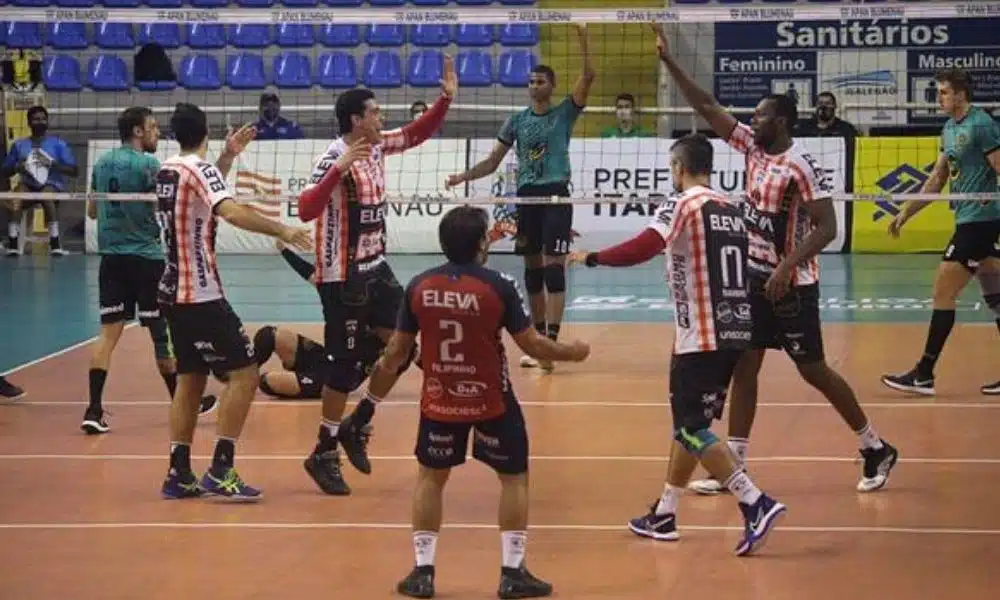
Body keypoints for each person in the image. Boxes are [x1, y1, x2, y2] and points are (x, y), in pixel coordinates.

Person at [647, 24, 899, 496]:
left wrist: (786, 267)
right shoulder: (751, 146)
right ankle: (735, 466)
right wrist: (669, 61)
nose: (752, 120)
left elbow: (828, 227)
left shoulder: (801, 166)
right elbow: (708, 107)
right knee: (745, 365)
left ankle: (875, 446)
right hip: (754, 279)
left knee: (813, 370)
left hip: (793, 285)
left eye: (760, 116)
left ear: (780, 122)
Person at [357, 205, 590, 599]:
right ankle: (512, 571)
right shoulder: (498, 285)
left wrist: (380, 371)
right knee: (513, 477)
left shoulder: (419, 286)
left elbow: (397, 351)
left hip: (440, 399)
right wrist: (573, 352)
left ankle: (422, 571)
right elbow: (533, 345)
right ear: (482, 243)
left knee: (431, 478)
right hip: (490, 399)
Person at [569, 133, 786, 554]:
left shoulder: (684, 202)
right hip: (733, 328)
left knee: (690, 429)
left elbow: (646, 246)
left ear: (679, 168)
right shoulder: (730, 207)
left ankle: (754, 501)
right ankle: (665, 512)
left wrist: (592, 257)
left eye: (672, 167)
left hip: (701, 334)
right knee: (690, 425)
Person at [294, 57, 456, 495]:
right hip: (342, 277)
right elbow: (305, 209)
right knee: (343, 367)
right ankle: (323, 451)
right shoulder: (334, 157)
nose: (382, 118)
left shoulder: (379, 145)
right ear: (356, 120)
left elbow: (416, 133)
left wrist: (445, 99)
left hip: (376, 268)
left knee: (403, 348)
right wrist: (338, 169)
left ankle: (358, 422)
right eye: (375, 112)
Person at [156, 102, 312, 502]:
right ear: (205, 131)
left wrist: (226, 157)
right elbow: (231, 212)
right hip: (201, 294)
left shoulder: (169, 169)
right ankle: (221, 469)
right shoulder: (199, 170)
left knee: (190, 379)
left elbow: (201, 199)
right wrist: (283, 230)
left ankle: (178, 473)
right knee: (244, 374)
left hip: (172, 291)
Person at [445, 23, 594, 373]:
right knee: (532, 271)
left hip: (555, 195)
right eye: (530, 82)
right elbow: (492, 162)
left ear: (552, 86)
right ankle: (539, 340)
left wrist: (582, 37)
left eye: (540, 81)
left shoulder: (564, 113)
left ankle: (552, 343)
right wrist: (463, 177)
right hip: (527, 198)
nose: (534, 86)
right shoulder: (516, 121)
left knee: (554, 269)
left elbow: (589, 75)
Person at [82, 106, 218, 435]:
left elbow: (92, 211)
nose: (158, 133)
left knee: (107, 336)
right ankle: (183, 403)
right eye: (153, 128)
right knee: (161, 335)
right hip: (146, 259)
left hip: (111, 260)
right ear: (138, 131)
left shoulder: (101, 163)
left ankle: (93, 410)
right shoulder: (149, 165)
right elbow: (166, 206)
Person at [880, 68, 1000, 396]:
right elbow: (937, 179)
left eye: (944, 92)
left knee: (943, 291)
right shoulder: (948, 129)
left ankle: (924, 374)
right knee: (995, 295)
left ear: (961, 93)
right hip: (968, 219)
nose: (939, 98)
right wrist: (905, 213)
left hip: (981, 221)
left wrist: (991, 197)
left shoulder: (982, 125)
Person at [248, 240, 391, 401]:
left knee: (267, 381)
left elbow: (405, 345)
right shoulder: (340, 292)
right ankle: (244, 374)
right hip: (324, 359)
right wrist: (284, 250)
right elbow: (310, 273)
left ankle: (305, 382)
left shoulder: (380, 311)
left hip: (339, 377)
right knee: (267, 335)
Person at [0, 105, 77, 256]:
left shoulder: (58, 144)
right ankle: (13, 244)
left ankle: (55, 244)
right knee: (15, 198)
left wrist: (54, 164)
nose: (40, 122)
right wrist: (17, 167)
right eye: (36, 119)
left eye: (43, 119)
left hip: (51, 184)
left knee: (46, 196)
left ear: (47, 122)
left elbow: (75, 171)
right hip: (28, 184)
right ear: (29, 123)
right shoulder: (19, 145)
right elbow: (4, 172)